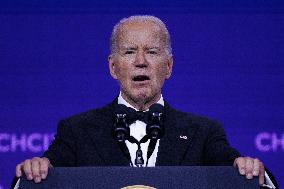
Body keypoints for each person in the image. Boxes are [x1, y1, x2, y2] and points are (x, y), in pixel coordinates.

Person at [13, 15, 277, 188]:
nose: (141, 61)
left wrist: (249, 169)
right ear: (113, 68)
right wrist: (36, 167)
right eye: (129, 52)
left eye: (152, 51)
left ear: (169, 67)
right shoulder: (77, 130)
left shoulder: (203, 132)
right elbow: (45, 170)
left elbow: (235, 169)